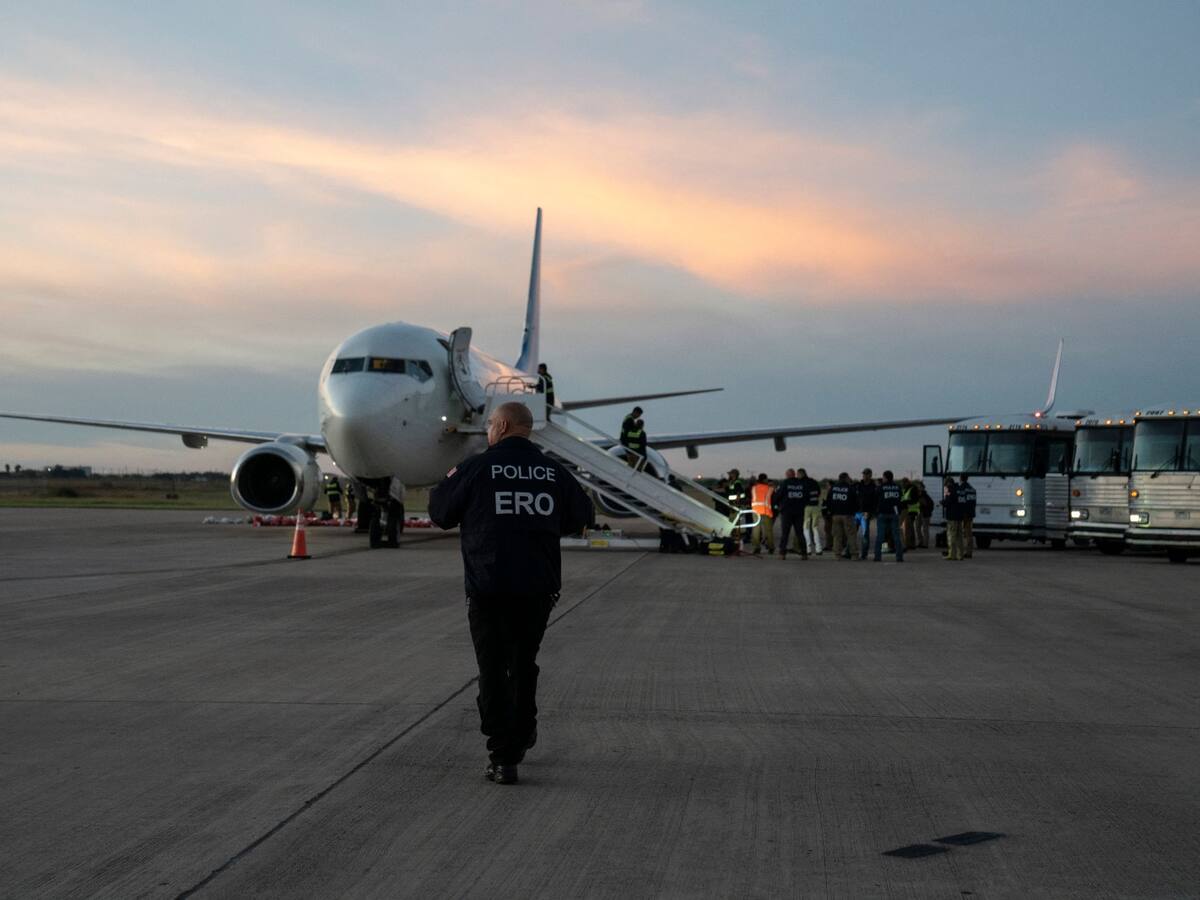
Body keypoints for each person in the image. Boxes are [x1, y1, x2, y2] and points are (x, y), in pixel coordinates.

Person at [429, 401, 593, 785]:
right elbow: (581, 517)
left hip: (489, 587)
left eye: (489, 424)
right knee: (522, 663)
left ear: (501, 426)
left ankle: (503, 755)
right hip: (538, 588)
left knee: (492, 668)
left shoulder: (476, 468)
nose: (488, 430)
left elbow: (439, 513)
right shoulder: (553, 472)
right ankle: (523, 730)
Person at [773, 468, 807, 560]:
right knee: (800, 533)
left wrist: (777, 505)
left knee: (785, 533)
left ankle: (782, 553)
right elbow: (806, 497)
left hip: (787, 512)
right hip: (799, 512)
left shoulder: (785, 483)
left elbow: (777, 496)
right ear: (794, 474)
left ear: (788, 475)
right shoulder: (802, 484)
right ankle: (804, 553)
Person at [873, 470, 905, 562]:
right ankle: (899, 557)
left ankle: (877, 557)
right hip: (894, 513)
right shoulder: (897, 487)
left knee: (880, 536)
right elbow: (900, 499)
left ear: (885, 478)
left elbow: (875, 500)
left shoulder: (880, 487)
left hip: (882, 513)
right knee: (896, 536)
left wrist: (876, 511)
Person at [828, 472, 859, 559]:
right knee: (851, 535)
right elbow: (856, 502)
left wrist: (832, 511)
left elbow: (828, 501)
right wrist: (854, 511)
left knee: (837, 536)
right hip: (848, 515)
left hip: (836, 515)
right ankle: (854, 555)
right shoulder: (850, 489)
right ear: (846, 478)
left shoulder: (833, 488)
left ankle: (837, 554)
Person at [798, 467, 823, 556]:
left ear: (801, 474)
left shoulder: (801, 483)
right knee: (815, 527)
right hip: (815, 506)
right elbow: (819, 492)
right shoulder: (814, 482)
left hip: (806, 507)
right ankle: (818, 548)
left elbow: (800, 495)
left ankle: (808, 548)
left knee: (806, 528)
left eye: (798, 474)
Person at [749, 473, 775, 555]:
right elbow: (774, 498)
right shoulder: (769, 488)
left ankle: (756, 547)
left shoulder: (753, 488)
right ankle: (771, 547)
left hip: (756, 510)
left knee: (756, 530)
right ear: (764, 480)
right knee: (768, 530)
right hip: (766, 510)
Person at [857, 468, 877, 560]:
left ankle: (864, 554)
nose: (864, 475)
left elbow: (875, 501)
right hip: (856, 512)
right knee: (852, 533)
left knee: (865, 534)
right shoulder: (858, 485)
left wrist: (872, 512)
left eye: (866, 474)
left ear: (870, 475)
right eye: (863, 474)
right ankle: (849, 551)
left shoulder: (874, 487)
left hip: (866, 513)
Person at [943, 475, 964, 560]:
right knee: (960, 536)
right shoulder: (959, 489)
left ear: (948, 483)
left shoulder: (949, 489)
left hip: (952, 516)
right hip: (960, 516)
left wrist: (942, 502)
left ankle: (952, 554)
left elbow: (948, 501)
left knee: (951, 535)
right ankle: (960, 555)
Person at [958, 474, 977, 559]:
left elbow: (960, 502)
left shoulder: (961, 489)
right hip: (971, 513)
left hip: (963, 514)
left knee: (962, 533)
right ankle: (969, 551)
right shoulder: (972, 489)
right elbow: (973, 503)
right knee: (969, 533)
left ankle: (962, 551)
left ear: (960, 478)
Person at [900, 477, 919, 550]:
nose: (902, 485)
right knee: (909, 528)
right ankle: (911, 544)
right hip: (907, 509)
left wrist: (904, 502)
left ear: (907, 482)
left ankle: (909, 544)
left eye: (903, 483)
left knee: (908, 528)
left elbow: (914, 500)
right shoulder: (905, 489)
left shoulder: (912, 489)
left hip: (911, 510)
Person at [917, 482, 935, 549]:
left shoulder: (925, 496)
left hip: (925, 514)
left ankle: (925, 544)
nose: (919, 488)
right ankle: (921, 542)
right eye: (918, 487)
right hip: (920, 513)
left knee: (925, 529)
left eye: (920, 487)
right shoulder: (919, 495)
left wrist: (928, 511)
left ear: (923, 488)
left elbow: (928, 504)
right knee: (917, 528)